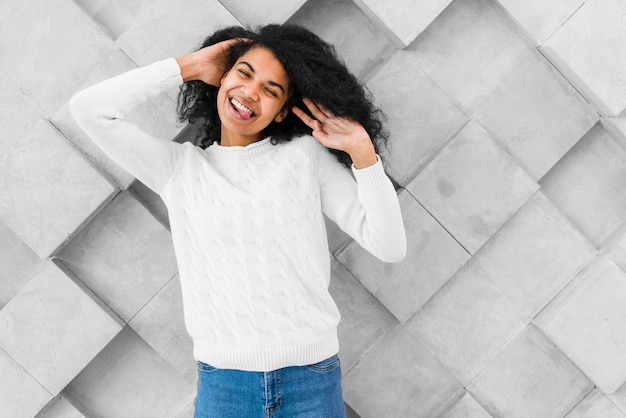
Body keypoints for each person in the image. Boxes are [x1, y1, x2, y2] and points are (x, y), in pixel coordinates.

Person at [70, 23, 406, 418]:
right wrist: (190, 65)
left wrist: (362, 151)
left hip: (311, 382)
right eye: (243, 73)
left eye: (271, 89)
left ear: (282, 111)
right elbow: (90, 111)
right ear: (222, 77)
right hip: (225, 387)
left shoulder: (304, 158)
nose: (250, 92)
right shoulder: (179, 170)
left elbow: (389, 245)